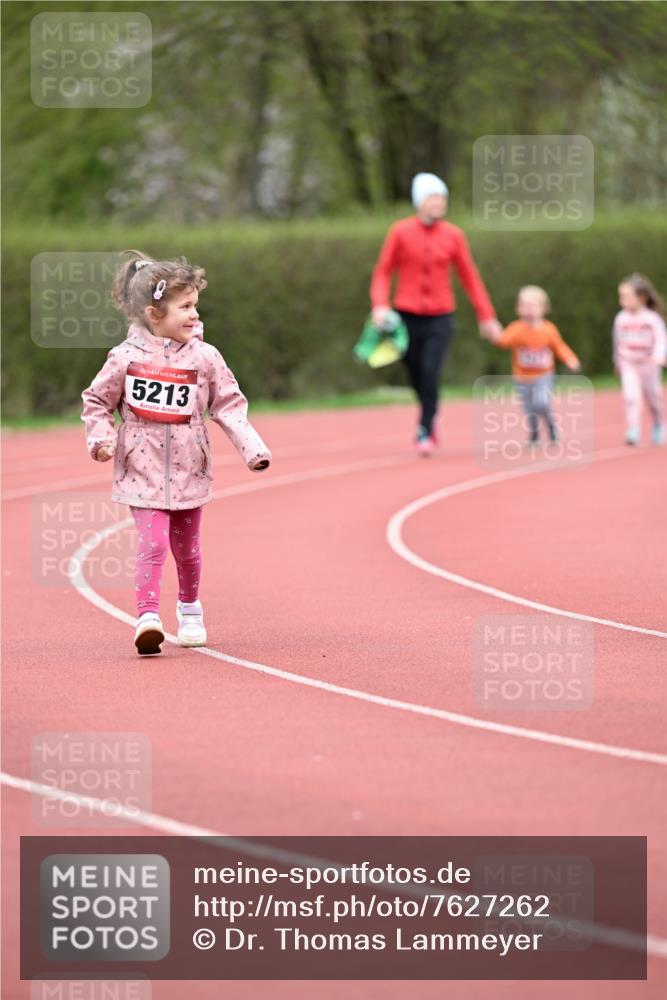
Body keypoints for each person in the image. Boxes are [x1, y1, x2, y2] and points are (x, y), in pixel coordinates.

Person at [81, 252, 271, 656]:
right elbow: (97, 401)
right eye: (185, 307)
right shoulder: (124, 358)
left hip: (190, 468)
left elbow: (229, 405)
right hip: (140, 469)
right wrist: (101, 439)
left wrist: (252, 448)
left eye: (195, 306)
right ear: (154, 314)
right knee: (153, 543)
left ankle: (189, 610)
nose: (194, 316)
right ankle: (147, 617)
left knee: (188, 549)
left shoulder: (206, 358)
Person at [370, 172, 501, 456]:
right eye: (433, 197)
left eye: (442, 198)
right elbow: (383, 272)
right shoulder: (400, 232)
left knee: (431, 369)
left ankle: (425, 427)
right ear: (419, 201)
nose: (439, 203)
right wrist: (380, 304)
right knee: (415, 373)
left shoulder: (454, 235)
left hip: (441, 315)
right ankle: (429, 410)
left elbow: (470, 277)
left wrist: (486, 316)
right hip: (405, 316)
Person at [484, 285, 580, 446]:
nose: (528, 309)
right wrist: (491, 333)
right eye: (523, 305)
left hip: (544, 375)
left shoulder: (549, 330)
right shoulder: (517, 329)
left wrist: (571, 359)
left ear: (543, 308)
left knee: (541, 402)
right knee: (529, 409)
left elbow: (559, 347)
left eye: (532, 305)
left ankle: (551, 427)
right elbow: (503, 341)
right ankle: (534, 434)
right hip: (522, 377)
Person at [613, 273, 666, 446]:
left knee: (653, 398)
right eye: (621, 296)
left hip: (649, 364)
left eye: (627, 296)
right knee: (631, 396)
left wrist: (659, 356)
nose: (623, 300)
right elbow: (617, 341)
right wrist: (617, 361)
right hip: (629, 364)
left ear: (641, 297)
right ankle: (633, 429)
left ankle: (658, 423)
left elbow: (661, 339)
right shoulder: (621, 318)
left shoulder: (651, 318)